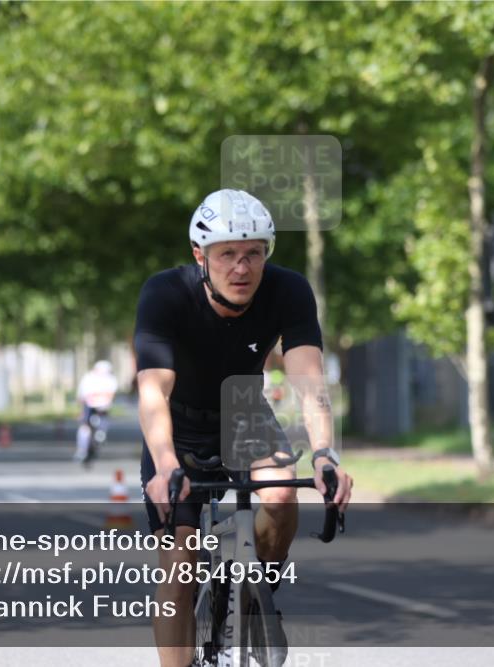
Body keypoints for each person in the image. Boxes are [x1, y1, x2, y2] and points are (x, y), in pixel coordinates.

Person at [134, 188, 353, 666]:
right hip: (180, 426)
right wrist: (166, 466)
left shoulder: (288, 289)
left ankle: (259, 589)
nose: (241, 267)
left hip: (244, 413)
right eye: (227, 254)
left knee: (279, 494)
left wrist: (323, 454)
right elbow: (154, 392)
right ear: (200, 255)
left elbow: (309, 380)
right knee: (180, 561)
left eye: (253, 253)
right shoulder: (165, 293)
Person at [73, 359, 118, 465]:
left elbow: (111, 394)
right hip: (90, 406)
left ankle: (99, 436)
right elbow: (82, 395)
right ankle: (82, 449)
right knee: (85, 428)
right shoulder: (89, 378)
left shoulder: (109, 378)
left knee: (100, 423)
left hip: (101, 406)